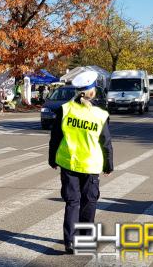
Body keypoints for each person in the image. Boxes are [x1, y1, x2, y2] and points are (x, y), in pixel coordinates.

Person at [48, 71, 113, 254]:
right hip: (90, 166)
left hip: (68, 164)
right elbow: (106, 143)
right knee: (89, 203)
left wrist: (52, 159)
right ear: (91, 92)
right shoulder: (100, 115)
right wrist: (109, 165)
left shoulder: (64, 110)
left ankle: (70, 242)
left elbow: (55, 138)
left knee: (72, 203)